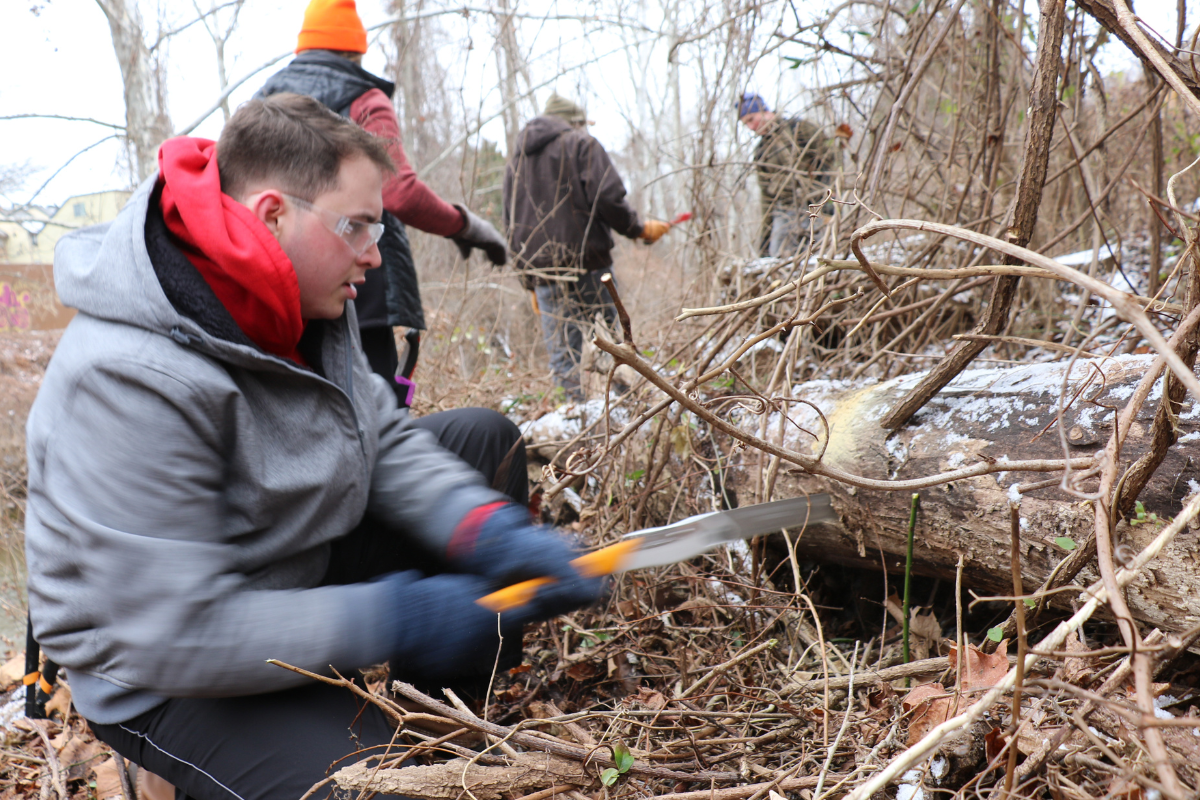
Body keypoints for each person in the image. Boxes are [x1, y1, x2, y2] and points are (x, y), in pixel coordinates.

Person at [25, 93, 606, 800]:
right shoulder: (128, 374)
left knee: (481, 443)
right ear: (274, 215)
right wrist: (402, 617)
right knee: (371, 790)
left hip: (284, 560)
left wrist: (484, 531)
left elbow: (381, 435)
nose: (373, 255)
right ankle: (194, 765)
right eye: (356, 227)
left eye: (378, 226)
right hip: (163, 662)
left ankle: (438, 729)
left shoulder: (298, 290)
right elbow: (179, 633)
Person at [257, 0, 508, 408]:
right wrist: (466, 226)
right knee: (373, 408)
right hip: (357, 289)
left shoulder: (263, 100)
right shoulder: (363, 97)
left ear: (305, 47)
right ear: (355, 51)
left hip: (277, 283)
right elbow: (399, 191)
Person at [503, 93, 670, 402]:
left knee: (562, 358)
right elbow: (608, 198)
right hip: (589, 266)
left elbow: (511, 224)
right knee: (613, 344)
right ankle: (627, 406)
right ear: (576, 122)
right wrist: (639, 229)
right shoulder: (582, 144)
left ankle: (572, 417)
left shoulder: (517, 160)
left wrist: (529, 282)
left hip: (544, 275)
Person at [737, 93, 837, 259]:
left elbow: (830, 157)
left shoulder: (799, 128)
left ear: (765, 112)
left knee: (821, 252)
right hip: (785, 211)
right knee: (777, 255)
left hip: (814, 203)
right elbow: (767, 198)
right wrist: (765, 239)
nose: (750, 127)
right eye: (745, 124)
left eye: (751, 119)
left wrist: (826, 195)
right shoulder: (761, 151)